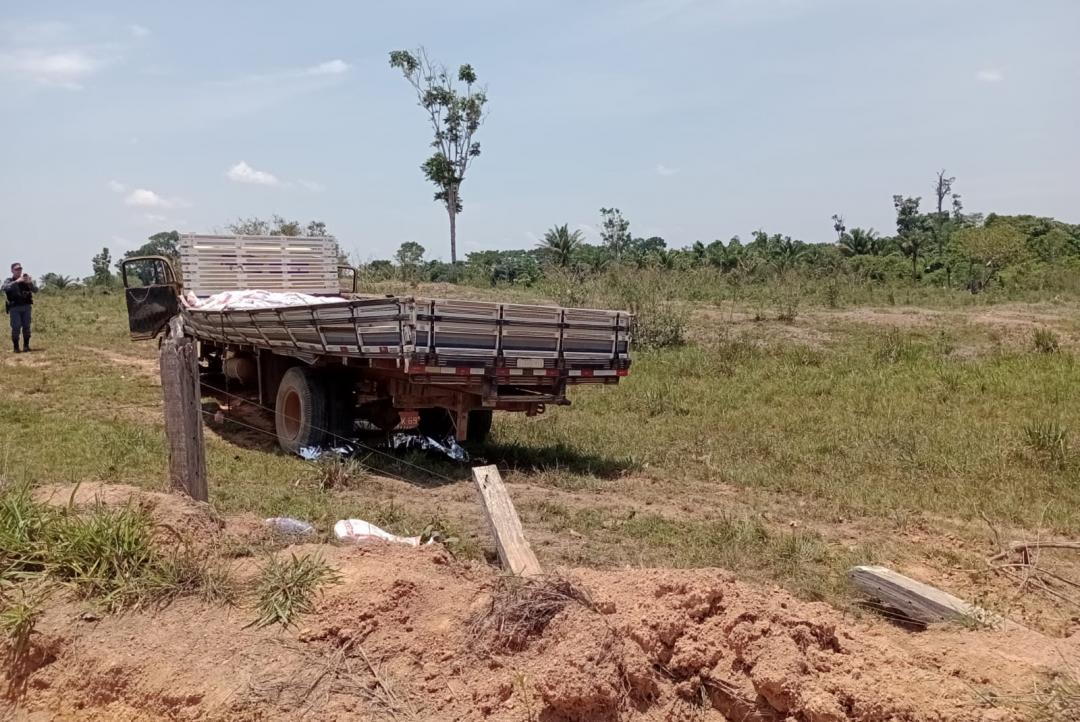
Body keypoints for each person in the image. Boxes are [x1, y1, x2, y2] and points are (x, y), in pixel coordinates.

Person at [3, 262, 37, 353]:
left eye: (20, 269)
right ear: (12, 270)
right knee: (16, 327)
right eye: (16, 269)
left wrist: (30, 283)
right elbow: (5, 288)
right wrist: (17, 282)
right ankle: (16, 347)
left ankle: (26, 346)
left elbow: (36, 290)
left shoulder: (26, 280)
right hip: (15, 307)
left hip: (26, 306)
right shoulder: (9, 280)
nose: (19, 271)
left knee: (27, 326)